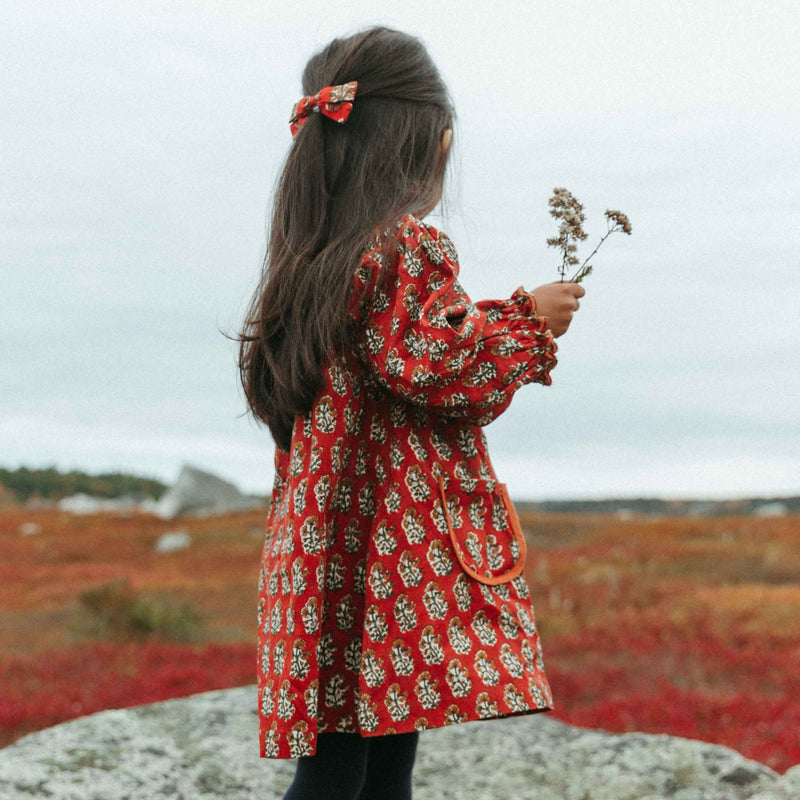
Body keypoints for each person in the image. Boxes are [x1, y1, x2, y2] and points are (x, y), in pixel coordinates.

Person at [236, 25, 585, 800]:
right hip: (391, 560)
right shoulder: (401, 250)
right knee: (350, 772)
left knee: (357, 761)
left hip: (327, 555)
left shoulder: (309, 261)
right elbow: (444, 368)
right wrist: (526, 320)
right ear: (435, 146)